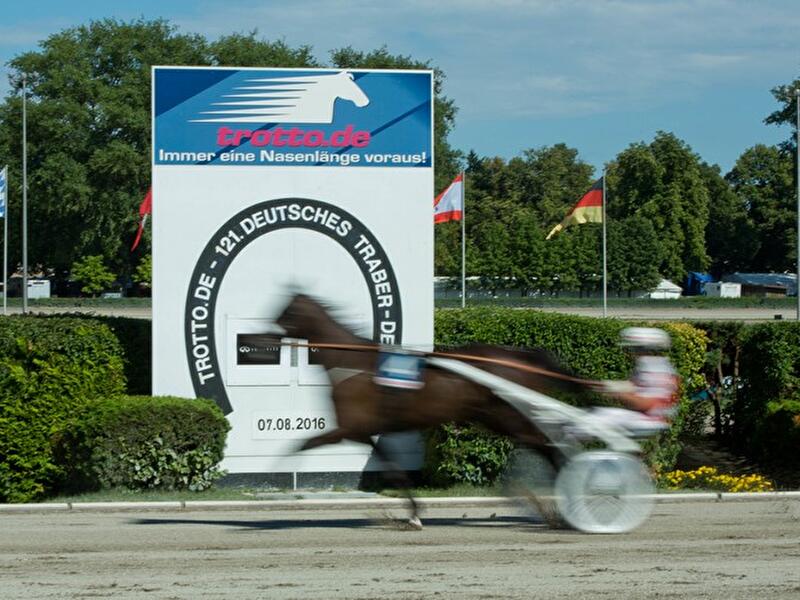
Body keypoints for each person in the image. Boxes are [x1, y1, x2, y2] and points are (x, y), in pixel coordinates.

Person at [587, 327, 680, 438]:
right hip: (643, 419)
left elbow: (645, 403)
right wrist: (604, 385)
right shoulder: (657, 366)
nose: (632, 352)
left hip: (645, 421)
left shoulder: (653, 369)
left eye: (635, 348)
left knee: (587, 421)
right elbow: (634, 386)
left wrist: (616, 393)